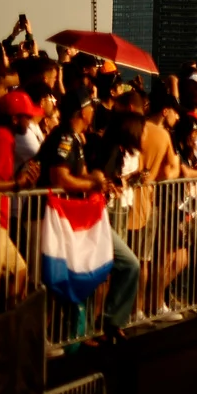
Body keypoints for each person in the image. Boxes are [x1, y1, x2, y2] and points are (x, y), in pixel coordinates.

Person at [38, 93, 140, 345]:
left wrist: (98, 183)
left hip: (77, 218)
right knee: (62, 278)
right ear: (82, 112)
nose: (93, 111)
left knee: (107, 266)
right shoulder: (64, 137)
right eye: (90, 107)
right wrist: (94, 181)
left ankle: (90, 328)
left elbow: (82, 176)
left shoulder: (75, 138)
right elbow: (60, 178)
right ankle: (59, 337)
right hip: (63, 219)